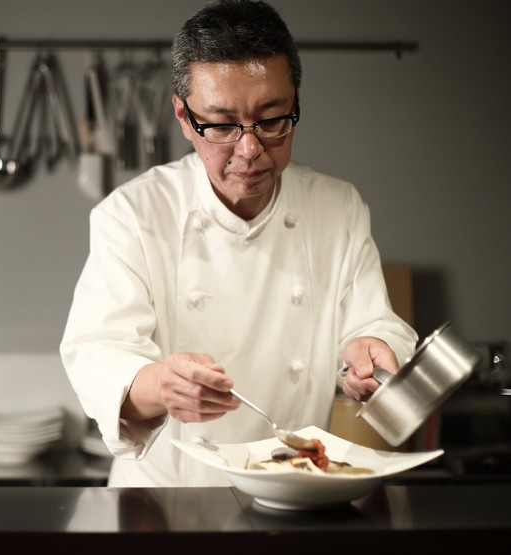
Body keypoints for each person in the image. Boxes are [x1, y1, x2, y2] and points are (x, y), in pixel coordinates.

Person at [60, 0, 417, 487]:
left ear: (295, 102)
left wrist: (371, 350)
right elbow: (100, 354)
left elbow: (373, 324)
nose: (250, 149)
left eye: (272, 120)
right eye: (222, 125)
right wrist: (162, 386)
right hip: (166, 500)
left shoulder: (337, 208)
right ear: (183, 117)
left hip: (294, 487)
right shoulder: (133, 214)